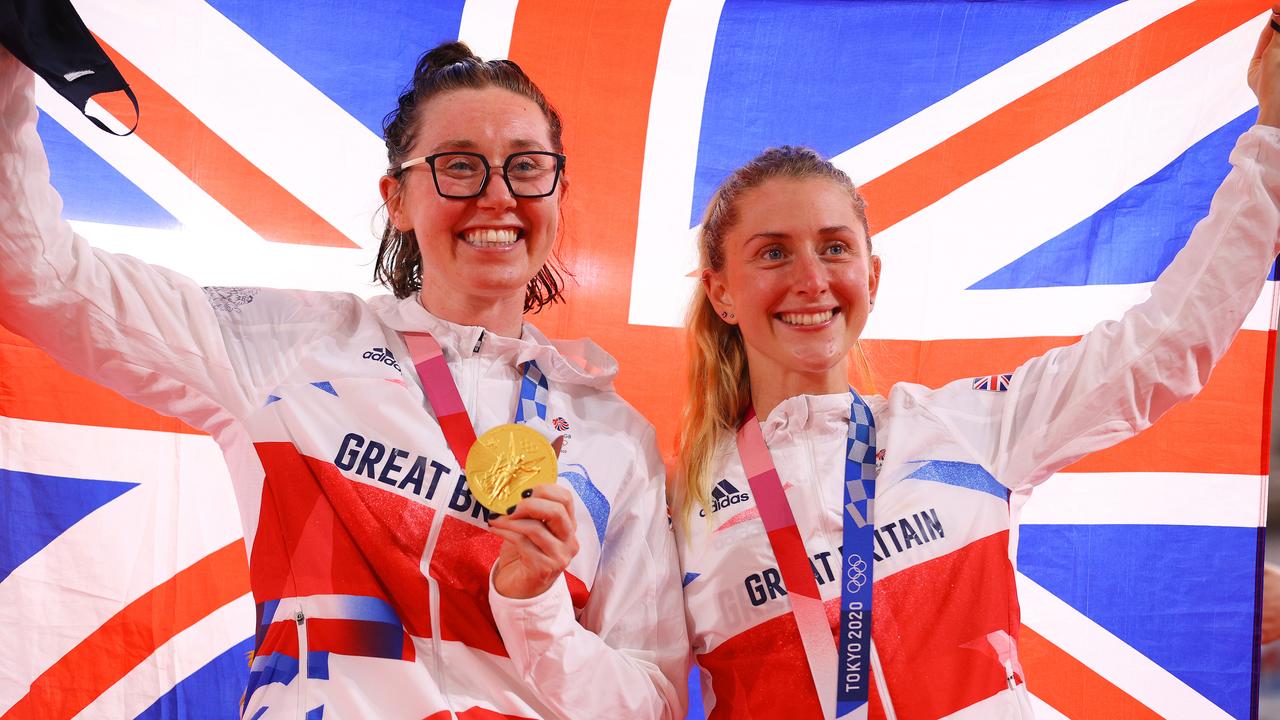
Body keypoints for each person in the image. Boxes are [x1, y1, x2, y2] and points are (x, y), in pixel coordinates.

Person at [0, 41, 687, 719]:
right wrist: (13, 50)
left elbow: (650, 703)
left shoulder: (616, 437)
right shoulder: (288, 347)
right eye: (459, 167)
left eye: (526, 167)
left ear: (558, 192)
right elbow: (38, 275)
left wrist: (536, 610)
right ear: (398, 199)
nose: (498, 195)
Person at [672, 12, 1280, 720]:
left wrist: (1270, 139)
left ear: (871, 274)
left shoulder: (968, 428)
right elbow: (625, 690)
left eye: (834, 248)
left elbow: (1166, 345)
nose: (811, 279)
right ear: (719, 290)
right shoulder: (674, 503)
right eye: (773, 252)